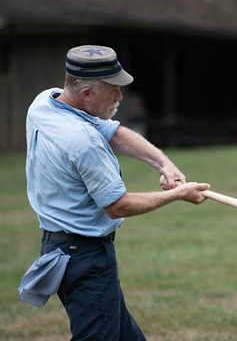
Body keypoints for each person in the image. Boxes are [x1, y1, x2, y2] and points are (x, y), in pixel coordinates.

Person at [25, 45, 210, 340]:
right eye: (113, 90)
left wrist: (164, 163)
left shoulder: (45, 103)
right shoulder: (82, 142)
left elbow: (113, 132)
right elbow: (117, 205)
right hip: (85, 258)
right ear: (87, 94)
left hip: (63, 249)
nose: (120, 98)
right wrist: (178, 195)